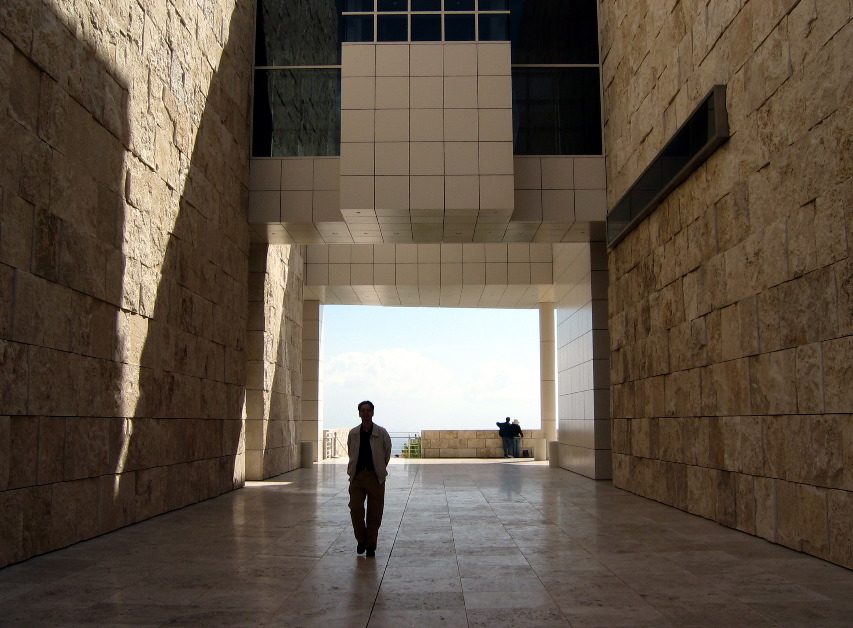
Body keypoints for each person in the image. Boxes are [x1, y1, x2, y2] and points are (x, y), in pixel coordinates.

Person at [347, 400, 391, 558]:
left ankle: (371, 545)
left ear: (372, 412)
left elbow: (386, 453)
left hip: (375, 477)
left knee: (375, 512)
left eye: (368, 410)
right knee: (355, 508)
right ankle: (361, 540)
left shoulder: (381, 433)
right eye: (362, 410)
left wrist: (380, 468)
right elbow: (351, 452)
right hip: (358, 477)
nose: (365, 413)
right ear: (359, 413)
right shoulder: (353, 433)